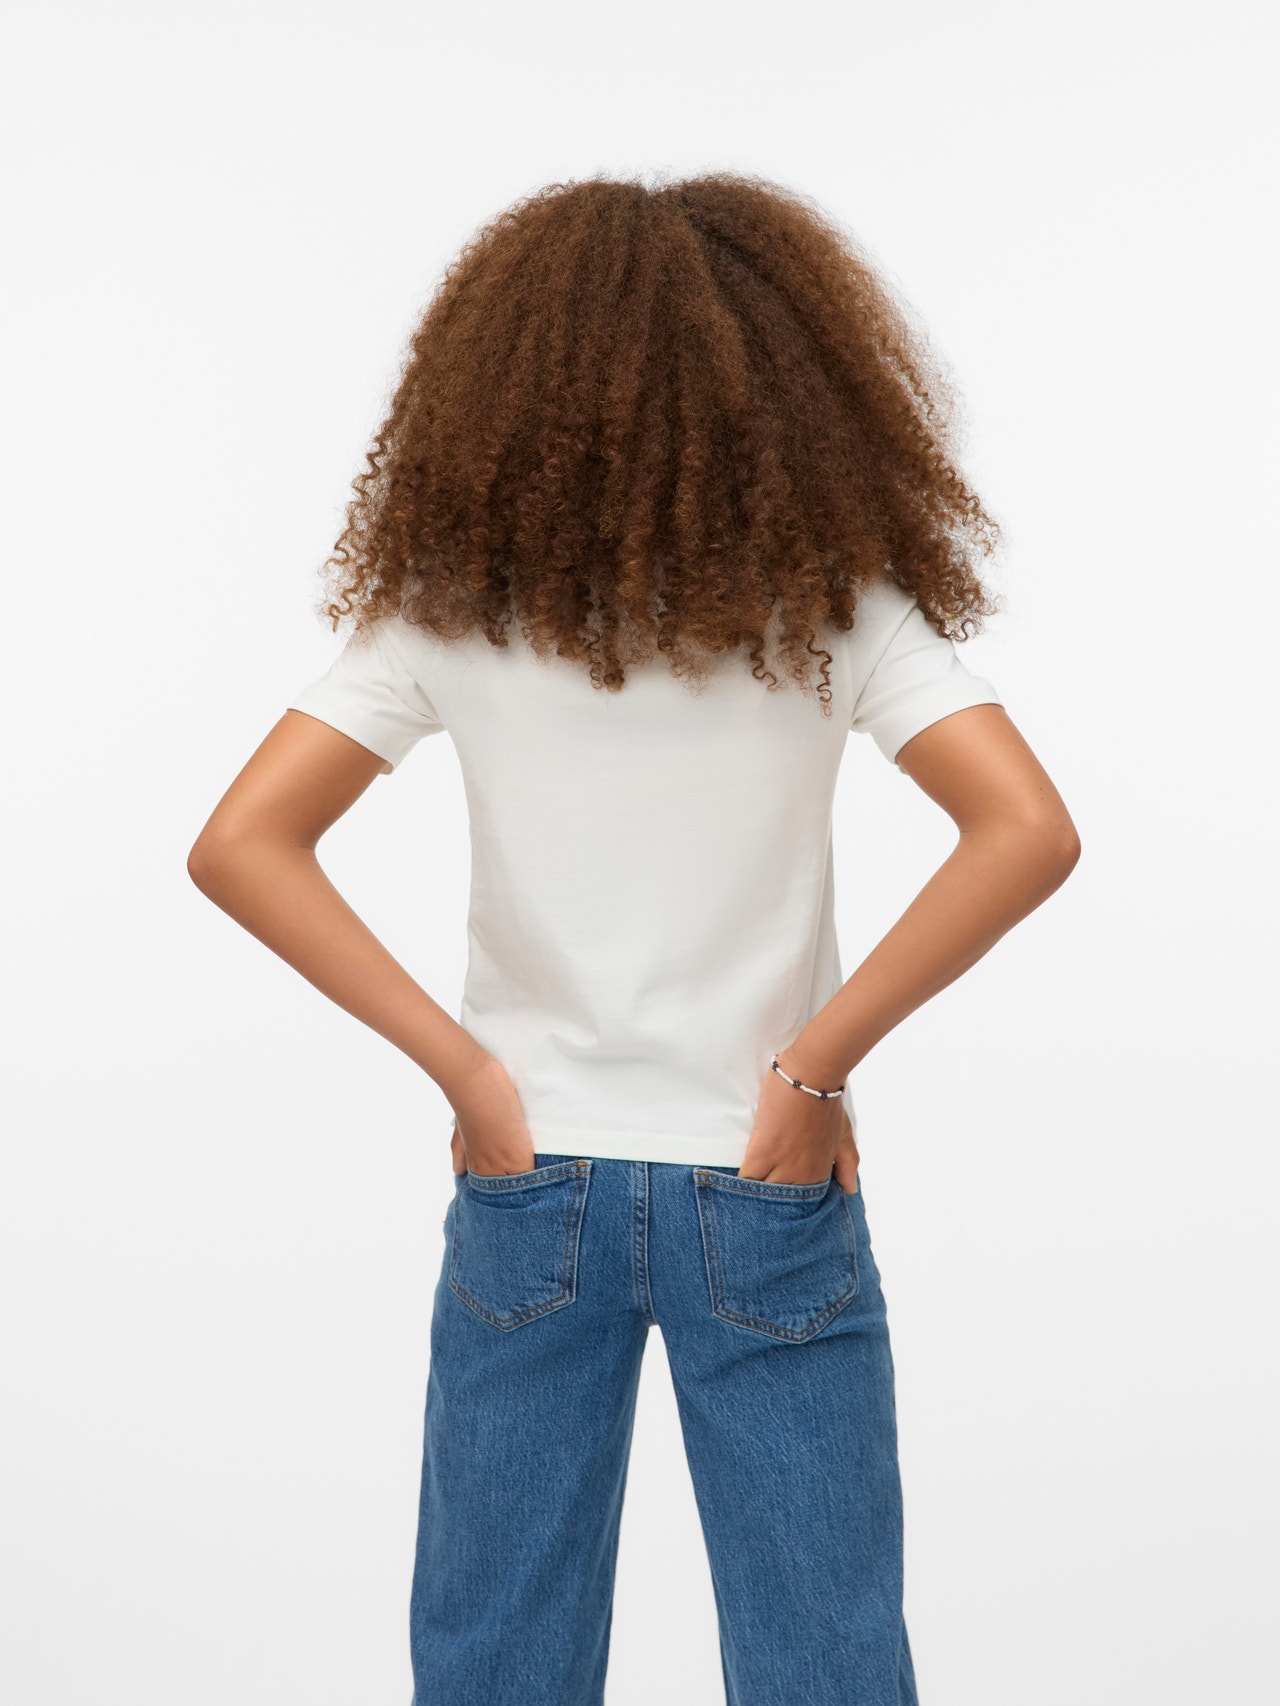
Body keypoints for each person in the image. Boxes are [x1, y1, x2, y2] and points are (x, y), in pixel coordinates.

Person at [188, 172, 1080, 1706]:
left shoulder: (452, 610)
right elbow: (1028, 829)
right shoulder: (838, 608)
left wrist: (469, 1071)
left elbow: (240, 842)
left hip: (528, 1178)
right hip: (765, 1174)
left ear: (502, 384)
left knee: (495, 1657)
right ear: (797, 378)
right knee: (826, 1657)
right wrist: (812, 1069)